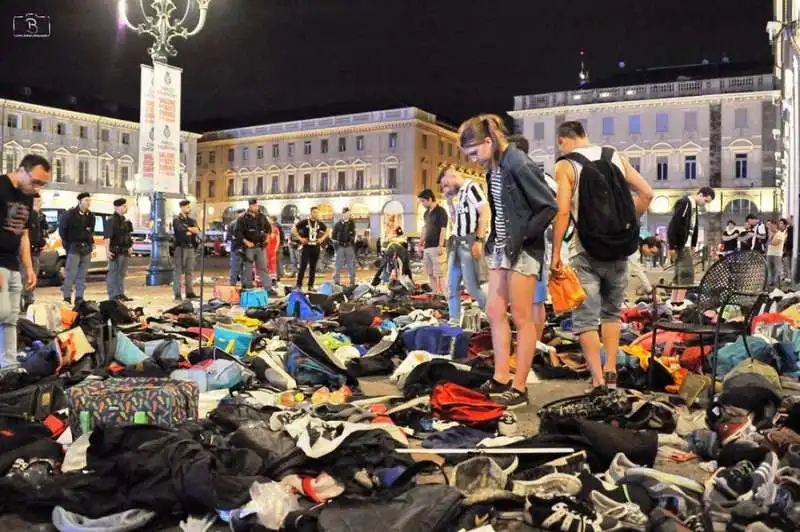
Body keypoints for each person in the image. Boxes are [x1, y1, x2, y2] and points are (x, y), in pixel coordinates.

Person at [459, 114, 556, 409]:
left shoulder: (518, 162)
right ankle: (501, 377)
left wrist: (524, 236)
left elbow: (548, 205)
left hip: (523, 248)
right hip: (502, 247)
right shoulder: (495, 167)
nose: (474, 160)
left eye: (475, 152)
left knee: (522, 317)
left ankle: (519, 386)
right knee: (494, 309)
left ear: (489, 141)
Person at [551, 120, 654, 392]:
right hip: (619, 249)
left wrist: (555, 256)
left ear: (563, 139)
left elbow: (562, 211)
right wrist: (628, 224)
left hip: (585, 250)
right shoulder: (615, 156)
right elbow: (647, 193)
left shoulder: (566, 165)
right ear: (586, 135)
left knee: (586, 318)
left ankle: (596, 379)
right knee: (612, 314)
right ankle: (611, 372)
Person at [0, 155, 50, 363]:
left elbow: (24, 234)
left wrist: (28, 268)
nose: (37, 187)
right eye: (35, 181)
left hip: (13, 264)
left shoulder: (27, 196)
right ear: (21, 170)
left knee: (11, 319)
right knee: (1, 313)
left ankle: (7, 367)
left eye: (43, 184)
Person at [438, 165, 489, 325]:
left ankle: (492, 314)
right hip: (457, 243)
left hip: (468, 241)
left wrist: (479, 239)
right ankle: (454, 320)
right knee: (451, 286)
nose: (445, 188)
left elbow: (485, 211)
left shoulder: (472, 187)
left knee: (472, 287)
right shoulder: (459, 195)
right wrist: (448, 201)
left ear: (451, 175)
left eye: (445, 184)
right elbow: (455, 221)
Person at [666, 187, 716, 305]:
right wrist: (672, 245)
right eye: (706, 201)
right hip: (681, 244)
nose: (705, 204)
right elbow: (675, 224)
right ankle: (679, 302)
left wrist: (693, 243)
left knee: (679, 274)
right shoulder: (685, 203)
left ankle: (675, 302)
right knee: (687, 274)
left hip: (685, 244)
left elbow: (693, 226)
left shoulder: (693, 206)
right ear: (700, 195)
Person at [59, 192, 95, 306]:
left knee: (82, 275)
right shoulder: (69, 215)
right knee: (70, 274)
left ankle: (79, 297)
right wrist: (68, 245)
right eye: (86, 200)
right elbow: (62, 231)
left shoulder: (91, 216)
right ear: (79, 201)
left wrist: (90, 244)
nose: (88, 203)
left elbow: (91, 231)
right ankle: (67, 297)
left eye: (89, 201)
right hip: (74, 247)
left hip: (86, 248)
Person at [417, 189, 448, 294]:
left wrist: (440, 245)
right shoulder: (426, 214)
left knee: (440, 273)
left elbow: (443, 229)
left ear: (430, 199)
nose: (422, 204)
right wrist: (420, 243)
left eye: (423, 201)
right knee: (430, 273)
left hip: (437, 246)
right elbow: (425, 229)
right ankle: (435, 293)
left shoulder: (441, 211)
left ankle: (444, 294)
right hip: (427, 247)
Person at [235, 199, 271, 290]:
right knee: (248, 268)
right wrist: (247, 242)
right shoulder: (242, 218)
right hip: (249, 247)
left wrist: (267, 237)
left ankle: (268, 288)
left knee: (263, 267)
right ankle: (248, 287)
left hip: (260, 246)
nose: (256, 207)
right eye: (254, 205)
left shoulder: (262, 216)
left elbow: (268, 228)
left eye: (257, 205)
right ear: (250, 206)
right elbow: (238, 233)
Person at [21, 193, 48, 312]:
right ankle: (19, 301)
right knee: (23, 277)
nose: (41, 202)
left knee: (32, 278)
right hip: (27, 252)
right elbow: (28, 235)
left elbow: (41, 232)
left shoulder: (40, 216)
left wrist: (42, 242)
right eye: (39, 200)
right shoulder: (27, 215)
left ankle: (29, 302)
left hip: (35, 252)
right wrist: (39, 242)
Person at [104, 198, 134, 302]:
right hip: (115, 250)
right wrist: (107, 251)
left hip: (125, 250)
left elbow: (128, 235)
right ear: (117, 207)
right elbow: (107, 237)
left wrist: (130, 247)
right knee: (113, 273)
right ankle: (113, 295)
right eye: (124, 206)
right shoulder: (111, 220)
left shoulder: (125, 220)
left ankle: (120, 293)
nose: (126, 208)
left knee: (121, 273)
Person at [293, 206, 329, 291]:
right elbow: (294, 230)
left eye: (317, 212)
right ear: (311, 213)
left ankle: (310, 285)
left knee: (313, 267)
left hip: (315, 246)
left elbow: (328, 230)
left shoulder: (319, 223)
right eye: (314, 212)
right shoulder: (304, 222)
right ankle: (298, 285)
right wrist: (300, 238)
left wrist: (322, 239)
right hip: (307, 246)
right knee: (303, 266)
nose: (316, 214)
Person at [172, 199, 200, 301]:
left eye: (189, 207)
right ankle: (177, 293)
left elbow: (197, 230)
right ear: (182, 208)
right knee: (178, 272)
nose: (189, 208)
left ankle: (189, 292)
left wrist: (189, 230)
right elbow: (180, 230)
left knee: (189, 271)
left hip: (190, 247)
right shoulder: (176, 219)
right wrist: (190, 230)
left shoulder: (191, 220)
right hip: (180, 248)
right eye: (187, 207)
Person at [332, 207, 357, 287]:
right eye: (346, 214)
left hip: (349, 246)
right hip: (340, 246)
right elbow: (333, 236)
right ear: (343, 214)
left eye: (349, 214)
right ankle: (336, 282)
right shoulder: (338, 224)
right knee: (338, 265)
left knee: (351, 265)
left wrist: (352, 240)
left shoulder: (352, 223)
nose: (348, 215)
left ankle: (352, 282)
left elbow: (353, 233)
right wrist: (336, 247)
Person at [226, 209, 245, 285]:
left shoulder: (246, 223)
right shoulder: (232, 224)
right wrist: (235, 238)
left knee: (243, 268)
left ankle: (243, 284)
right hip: (236, 248)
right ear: (237, 215)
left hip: (243, 248)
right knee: (235, 267)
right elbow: (228, 236)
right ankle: (233, 284)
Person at [767, 219, 788, 288]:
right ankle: (770, 283)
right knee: (770, 270)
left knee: (777, 270)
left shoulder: (780, 234)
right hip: (769, 254)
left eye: (772, 226)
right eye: (770, 226)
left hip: (777, 254)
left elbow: (775, 243)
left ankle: (778, 285)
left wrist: (771, 237)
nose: (771, 228)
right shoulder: (771, 234)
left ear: (776, 226)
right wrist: (770, 237)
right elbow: (769, 243)